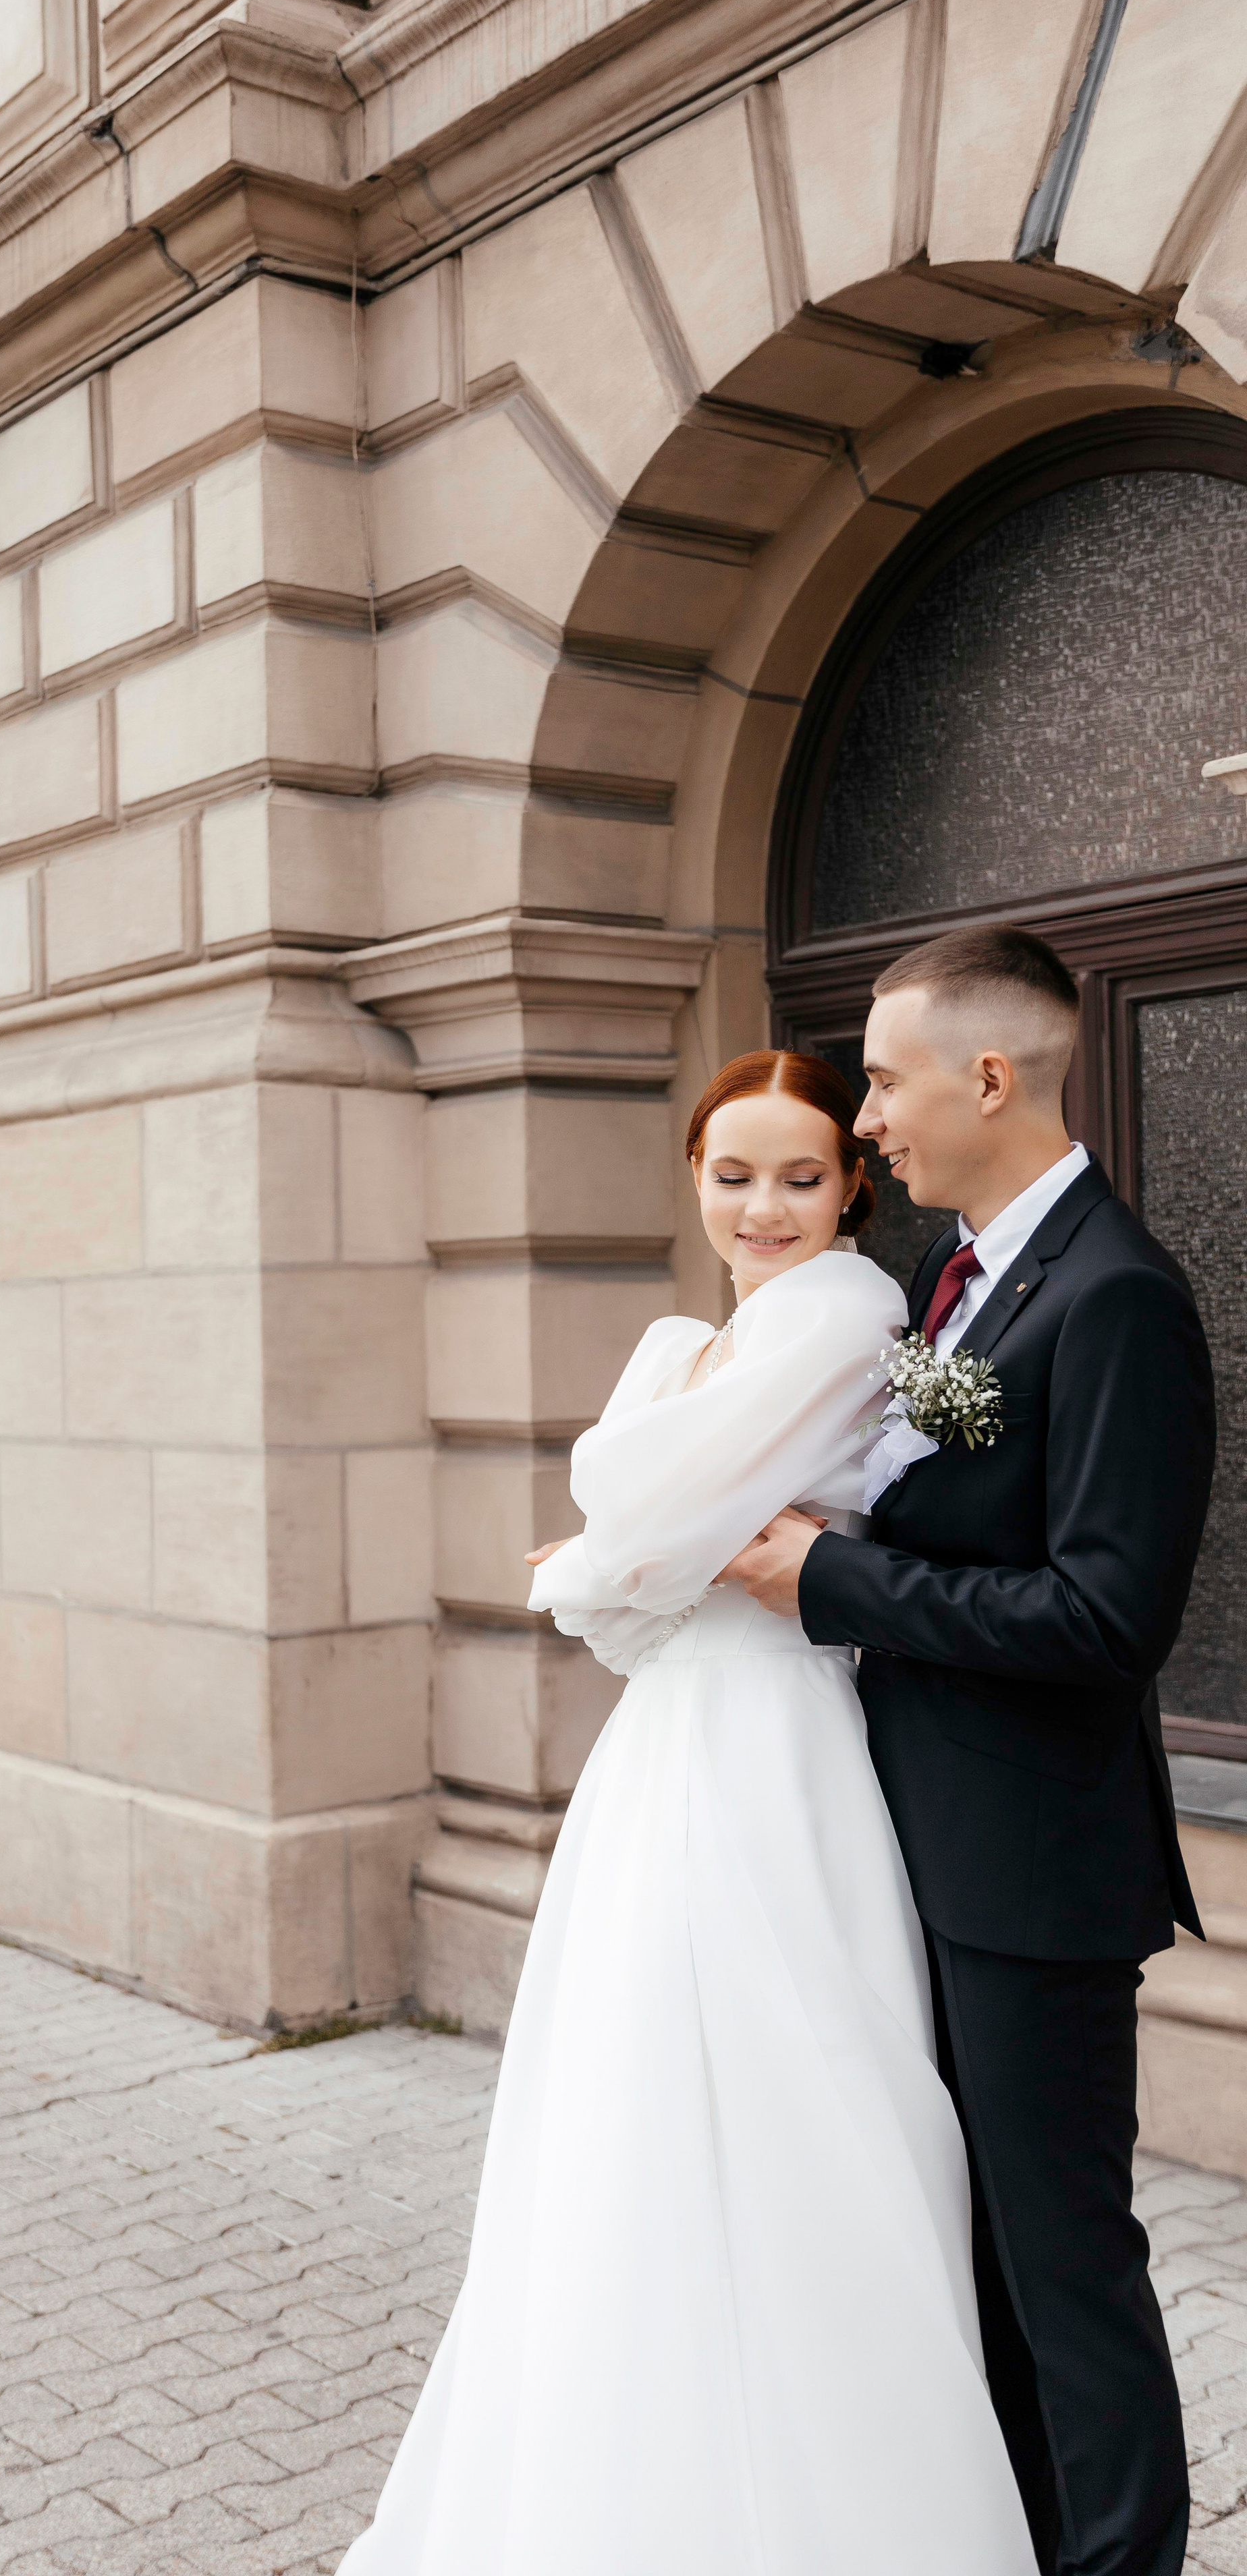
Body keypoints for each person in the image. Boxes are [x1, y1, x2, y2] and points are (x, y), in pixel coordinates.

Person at [339, 1049, 1037, 2576]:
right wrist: (628, 1537)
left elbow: (628, 1524)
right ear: (693, 1179)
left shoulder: (845, 1310)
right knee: (627, 2096)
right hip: (669, 1741)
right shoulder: (693, 1339)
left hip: (776, 1739)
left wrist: (599, 1546)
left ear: (850, 1186)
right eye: (733, 1176)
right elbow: (642, 1542)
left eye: (800, 1175)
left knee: (797, 2095)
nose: (764, 1207)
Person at [723, 924, 1215, 2576]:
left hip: (1031, 1878)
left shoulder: (1117, 1296)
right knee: (974, 2258)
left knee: (1060, 2265)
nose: (864, 1118)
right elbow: (947, 1506)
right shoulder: (961, 1275)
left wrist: (825, 1580)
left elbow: (1101, 1618)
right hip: (918, 1848)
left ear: (987, 1078)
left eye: (881, 1081)